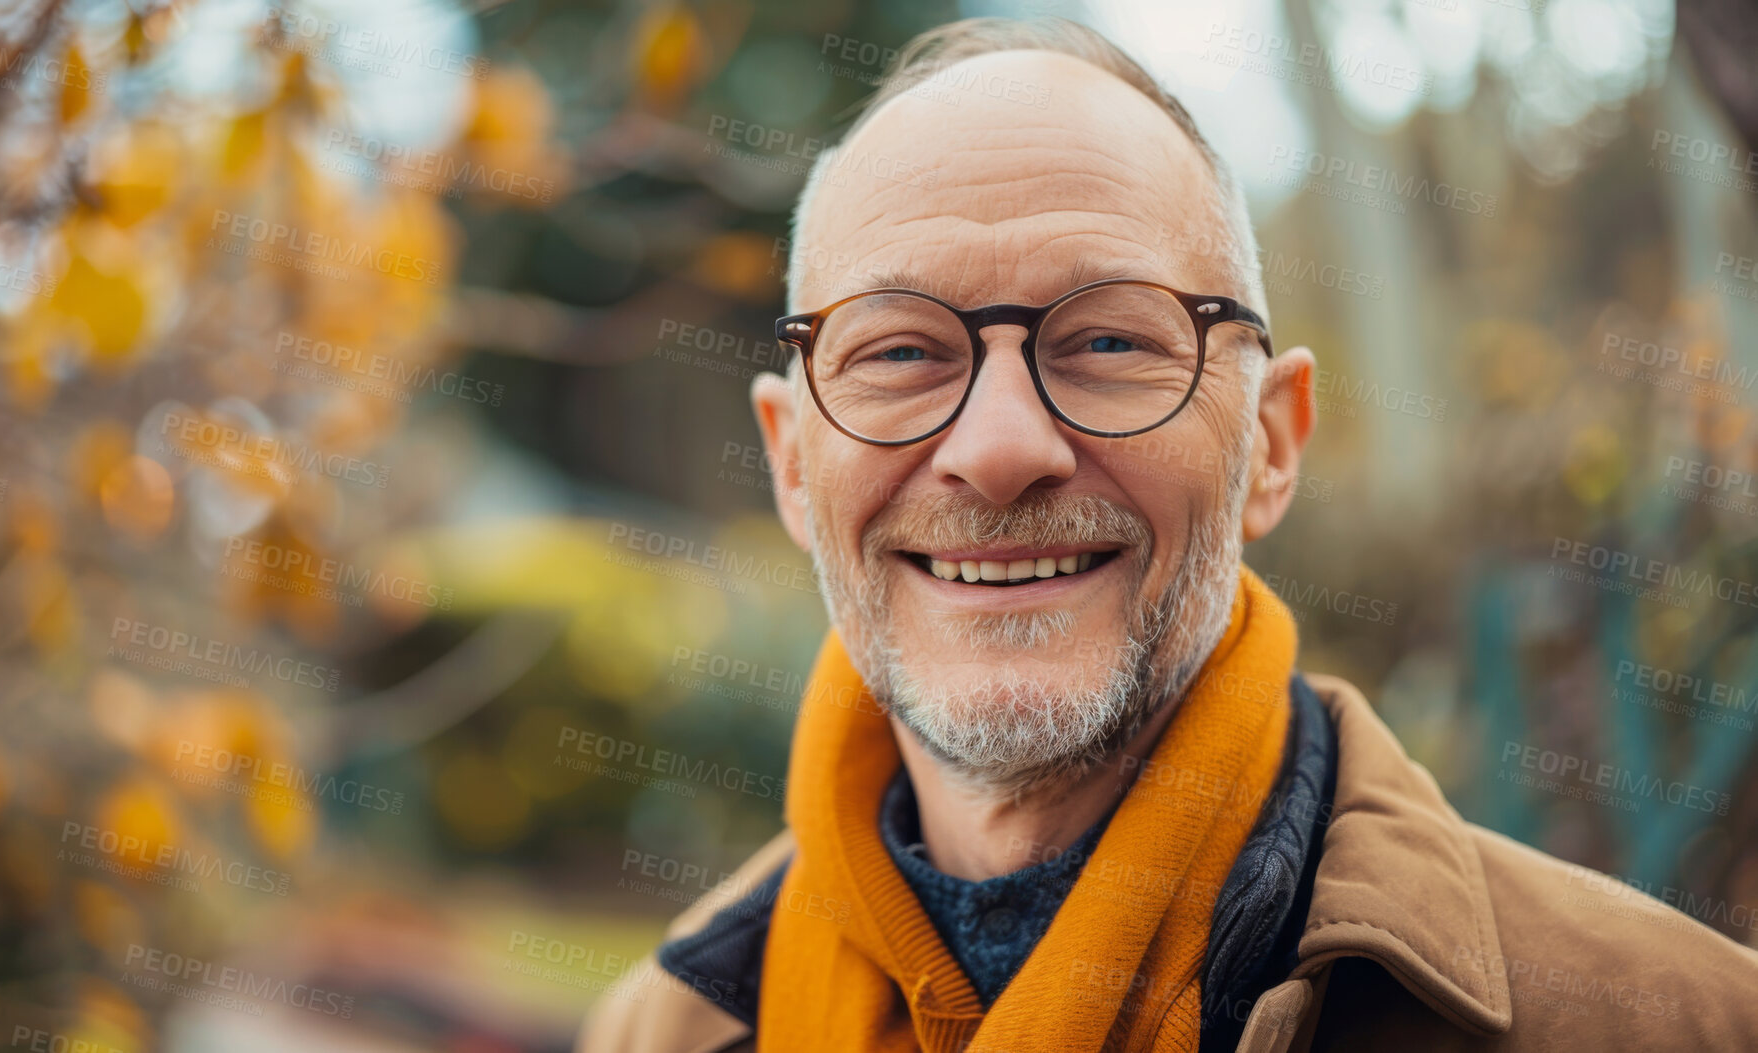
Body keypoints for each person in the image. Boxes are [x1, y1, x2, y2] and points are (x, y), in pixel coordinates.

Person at [577, 17, 1758, 1052]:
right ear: (791, 459)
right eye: (898, 351)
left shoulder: (1676, 1023)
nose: (997, 448)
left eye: (1107, 342)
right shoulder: (663, 1029)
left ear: (1273, 443)